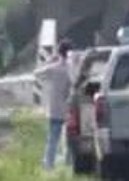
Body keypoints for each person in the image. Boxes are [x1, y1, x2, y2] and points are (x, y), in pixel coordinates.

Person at [35, 39, 74, 171]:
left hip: (55, 109)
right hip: (69, 109)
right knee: (70, 138)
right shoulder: (72, 68)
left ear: (59, 52)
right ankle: (69, 163)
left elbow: (37, 73)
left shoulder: (54, 68)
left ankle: (49, 164)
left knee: (53, 138)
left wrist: (50, 61)